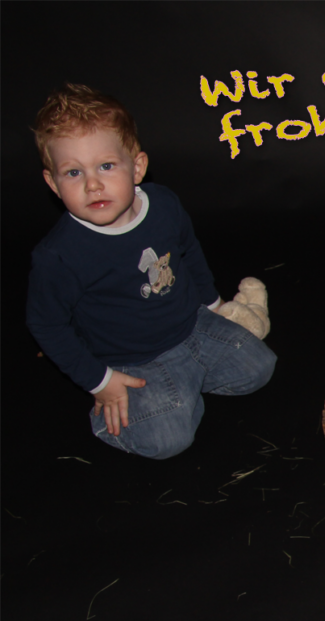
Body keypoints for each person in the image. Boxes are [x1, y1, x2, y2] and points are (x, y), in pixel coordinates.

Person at [27, 83, 277, 460]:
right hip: (132, 358)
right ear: (53, 183)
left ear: (137, 166)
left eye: (106, 166)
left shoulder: (163, 205)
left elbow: (188, 252)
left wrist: (213, 304)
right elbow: (46, 324)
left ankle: (184, 387)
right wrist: (100, 381)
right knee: (168, 441)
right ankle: (140, 409)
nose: (93, 184)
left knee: (260, 367)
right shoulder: (58, 256)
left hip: (192, 325)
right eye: (73, 172)